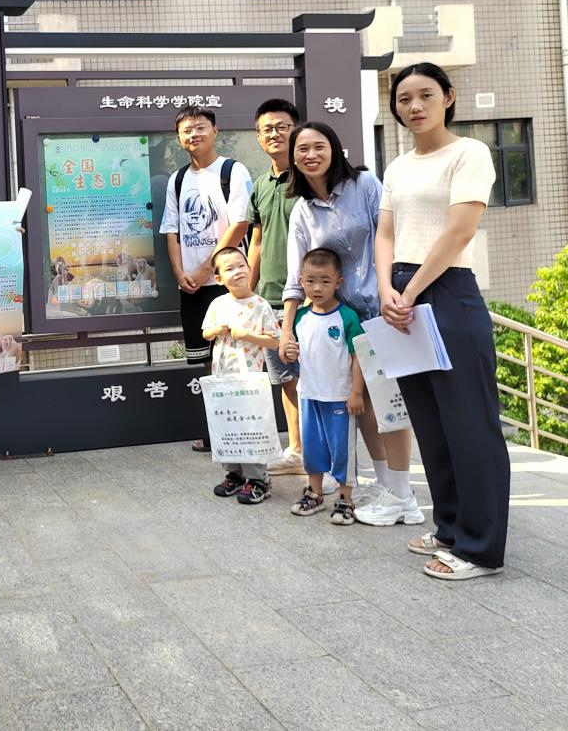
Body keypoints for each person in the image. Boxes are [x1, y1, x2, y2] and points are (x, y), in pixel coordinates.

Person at [377, 62, 509, 580]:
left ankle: (481, 549)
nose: (414, 106)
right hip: (401, 292)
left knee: (470, 424)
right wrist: (386, 288)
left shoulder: (469, 153)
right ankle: (450, 528)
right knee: (431, 424)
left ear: (449, 97)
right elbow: (386, 232)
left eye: (425, 95)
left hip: (447, 289)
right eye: (404, 98)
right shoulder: (397, 167)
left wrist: (407, 292)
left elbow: (459, 232)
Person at [277, 121, 419, 524]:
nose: (310, 155)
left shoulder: (365, 185)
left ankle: (403, 493)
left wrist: (396, 291)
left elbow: (391, 238)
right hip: (344, 323)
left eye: (318, 146)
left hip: (384, 312)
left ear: (335, 148)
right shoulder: (302, 211)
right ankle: (388, 486)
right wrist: (287, 330)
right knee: (366, 407)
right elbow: (297, 277)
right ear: (293, 158)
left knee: (390, 404)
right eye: (302, 149)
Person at [159, 105, 252, 453]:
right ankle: (218, 433)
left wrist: (204, 269)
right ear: (178, 138)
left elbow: (240, 223)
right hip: (192, 287)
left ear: (215, 131)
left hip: (227, 285)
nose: (193, 135)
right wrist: (180, 272)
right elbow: (171, 230)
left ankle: (241, 432)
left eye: (200, 127)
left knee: (236, 357)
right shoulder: (177, 179)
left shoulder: (232, 171)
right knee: (206, 362)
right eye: (186, 130)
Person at [244, 98, 305, 478]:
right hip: (269, 298)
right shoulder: (261, 185)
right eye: (267, 129)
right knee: (286, 381)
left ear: (296, 129)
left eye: (282, 126)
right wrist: (248, 296)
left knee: (317, 380)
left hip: (312, 299)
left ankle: (326, 458)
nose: (274, 134)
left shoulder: (311, 176)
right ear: (258, 137)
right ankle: (297, 451)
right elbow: (257, 242)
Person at [284, 249, 365, 526]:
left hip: (340, 397)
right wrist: (289, 352)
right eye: (311, 281)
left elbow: (358, 357)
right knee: (313, 449)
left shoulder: (348, 317)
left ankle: (345, 499)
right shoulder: (299, 317)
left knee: (343, 451)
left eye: (325, 281)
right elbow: (291, 353)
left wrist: (356, 393)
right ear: (301, 281)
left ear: (338, 282)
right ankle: (315, 493)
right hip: (309, 395)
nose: (317, 288)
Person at [200, 246, 280, 505]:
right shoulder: (218, 303)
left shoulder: (261, 305)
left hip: (249, 380)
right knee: (227, 422)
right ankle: (234, 473)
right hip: (223, 377)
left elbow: (275, 340)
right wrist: (217, 330)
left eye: (240, 266)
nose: (237, 272)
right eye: (229, 269)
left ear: (250, 267)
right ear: (219, 278)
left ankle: (258, 478)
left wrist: (246, 335)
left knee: (250, 424)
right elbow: (205, 333)